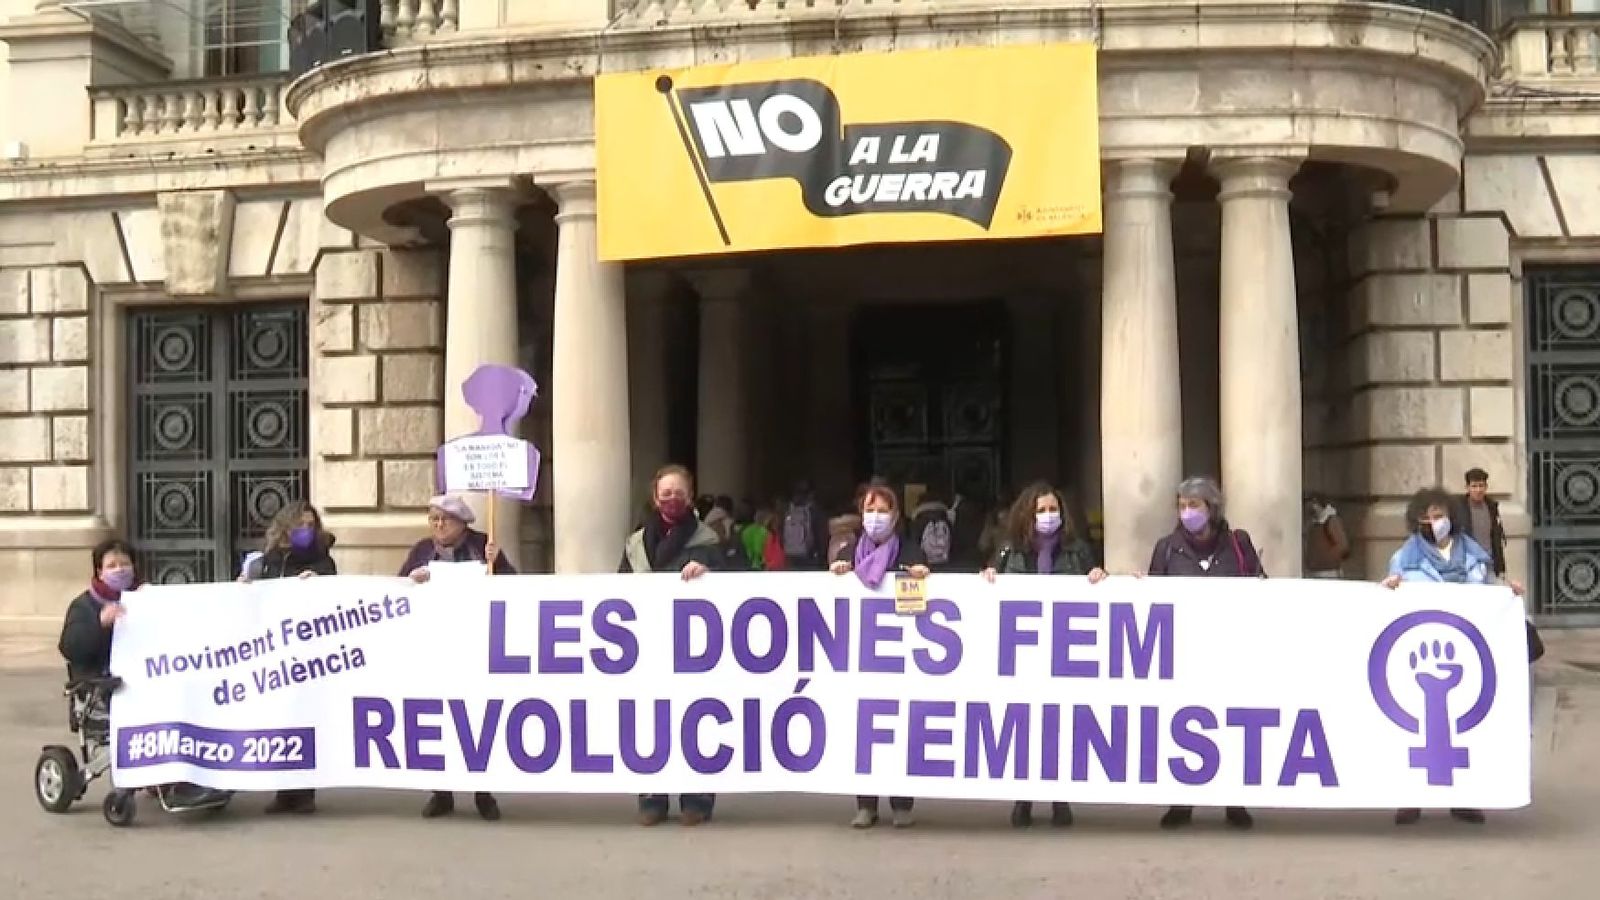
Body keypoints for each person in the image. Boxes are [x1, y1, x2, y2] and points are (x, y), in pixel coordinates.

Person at [1382, 486, 1526, 827]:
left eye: (1438, 516)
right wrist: (1388, 589)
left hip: (1466, 653)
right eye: (1426, 518)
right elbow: (1389, 601)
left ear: (1451, 517)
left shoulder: (1474, 556)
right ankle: (1411, 798)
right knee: (1414, 728)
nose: (1433, 523)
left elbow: (1490, 587)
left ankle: (1465, 797)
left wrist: (1508, 592)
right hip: (1420, 652)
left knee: (1467, 726)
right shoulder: (1404, 559)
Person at [59, 539, 228, 808]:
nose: (119, 570)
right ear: (98, 571)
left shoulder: (146, 599)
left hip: (150, 679)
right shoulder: (84, 606)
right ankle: (177, 783)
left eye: (124, 564)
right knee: (160, 712)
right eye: (111, 565)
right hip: (105, 688)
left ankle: (200, 774)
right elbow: (71, 648)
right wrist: (100, 623)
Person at [980, 481, 1109, 827]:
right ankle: (1023, 799)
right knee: (1025, 728)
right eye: (1041, 511)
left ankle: (1059, 799)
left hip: (1064, 657)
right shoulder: (1010, 552)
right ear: (1027, 514)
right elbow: (992, 586)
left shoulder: (1077, 550)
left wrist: (1098, 576)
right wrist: (989, 575)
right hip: (1024, 657)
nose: (1048, 516)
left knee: (1059, 727)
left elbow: (1093, 582)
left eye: (1053, 510)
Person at [1144, 476, 1263, 831]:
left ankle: (1235, 800)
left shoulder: (1238, 544)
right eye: (1182, 506)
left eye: (1194, 505)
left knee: (1232, 724)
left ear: (1212, 508)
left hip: (1230, 652)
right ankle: (1181, 801)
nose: (1187, 512)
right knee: (1182, 725)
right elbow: (1153, 595)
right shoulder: (1166, 548)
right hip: (1183, 654)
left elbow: (1260, 586)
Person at [398, 495, 512, 821]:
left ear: (462, 523)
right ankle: (442, 793)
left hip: (476, 646)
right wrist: (412, 581)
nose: (438, 526)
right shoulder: (422, 550)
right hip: (436, 648)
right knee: (439, 719)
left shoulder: (482, 547)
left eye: (444, 520)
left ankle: (483, 793)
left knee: (477, 720)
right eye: (433, 519)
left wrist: (499, 564)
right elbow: (399, 587)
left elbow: (516, 588)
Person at [621, 464, 722, 825]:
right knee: (651, 718)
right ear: (654, 497)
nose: (672, 499)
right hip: (647, 645)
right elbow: (619, 590)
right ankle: (652, 795)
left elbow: (739, 582)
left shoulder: (711, 540)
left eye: (679, 493)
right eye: (666, 493)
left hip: (695, 647)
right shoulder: (635, 543)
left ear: (690, 497)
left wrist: (709, 572)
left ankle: (697, 796)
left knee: (694, 718)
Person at [830, 484, 930, 828]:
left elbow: (926, 590)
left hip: (899, 657)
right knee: (864, 730)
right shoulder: (846, 551)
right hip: (860, 656)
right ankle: (866, 804)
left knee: (901, 727)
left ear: (896, 516)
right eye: (870, 510)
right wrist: (838, 573)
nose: (875, 518)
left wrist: (919, 573)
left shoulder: (910, 550)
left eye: (883, 510)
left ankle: (902, 803)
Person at [238, 502, 337, 814]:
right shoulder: (267, 561)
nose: (305, 531)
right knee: (279, 719)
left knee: (304, 716)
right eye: (299, 525)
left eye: (310, 525)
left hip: (307, 652)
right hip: (273, 650)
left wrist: (317, 584)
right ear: (285, 528)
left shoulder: (323, 561)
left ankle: (305, 792)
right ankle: (284, 790)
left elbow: (335, 597)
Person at [1450, 468, 1507, 579]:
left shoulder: (1491, 507)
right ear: (1467, 488)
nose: (1478, 490)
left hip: (1489, 562)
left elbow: (1496, 538)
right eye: (1474, 486)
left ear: (1486, 487)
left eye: (1481, 486)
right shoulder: (1458, 508)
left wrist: (1501, 568)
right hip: (1468, 564)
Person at [780, 480, 829, 569]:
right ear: (811, 494)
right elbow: (821, 536)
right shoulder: (815, 511)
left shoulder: (788, 511)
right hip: (810, 555)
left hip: (791, 554)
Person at [1303, 493, 1350, 579]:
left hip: (1328, 573)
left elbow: (1343, 546)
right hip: (1313, 572)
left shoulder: (1331, 521)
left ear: (1316, 504)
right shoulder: (1312, 523)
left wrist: (1327, 560)